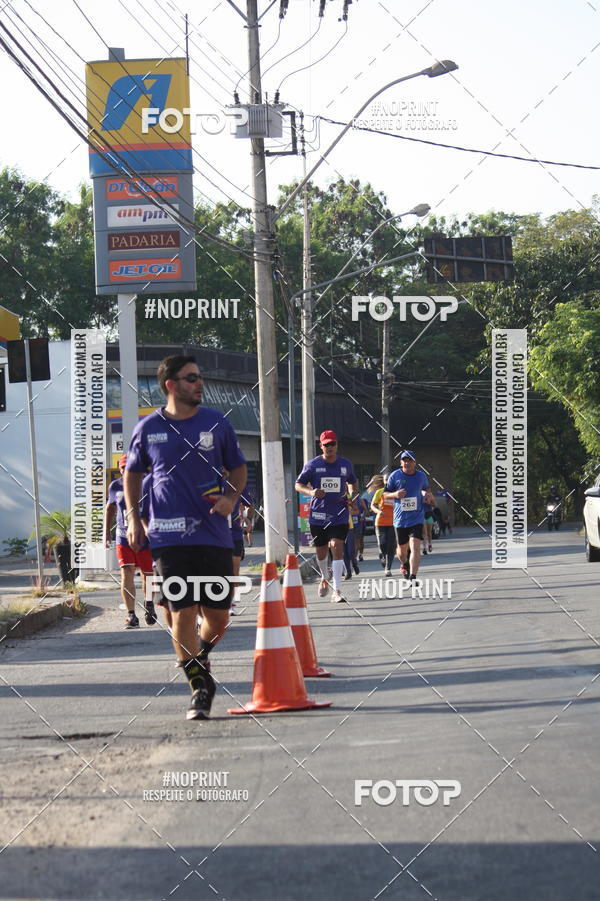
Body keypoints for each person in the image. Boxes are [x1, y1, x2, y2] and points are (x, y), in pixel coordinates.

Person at [124, 355, 247, 721]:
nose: (199, 383)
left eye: (200, 377)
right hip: (168, 536)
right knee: (181, 611)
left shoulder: (216, 423)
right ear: (171, 384)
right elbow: (133, 475)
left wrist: (231, 497)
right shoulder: (148, 429)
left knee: (219, 617)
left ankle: (199, 653)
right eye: (191, 378)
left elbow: (238, 467)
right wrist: (134, 517)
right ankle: (198, 686)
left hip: (213, 533)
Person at [295, 430, 358, 604]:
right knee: (321, 552)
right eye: (326, 444)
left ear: (337, 445)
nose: (329, 447)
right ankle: (324, 575)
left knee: (336, 546)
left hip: (339, 514)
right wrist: (311, 491)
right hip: (318, 516)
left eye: (332, 444)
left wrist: (352, 495)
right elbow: (298, 485)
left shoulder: (346, 465)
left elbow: (353, 482)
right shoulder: (312, 465)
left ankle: (336, 591)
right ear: (320, 446)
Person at [105, 454, 156, 629]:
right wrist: (106, 533)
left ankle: (149, 604)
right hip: (123, 536)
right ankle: (131, 614)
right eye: (122, 468)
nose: (125, 470)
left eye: (129, 467)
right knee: (126, 571)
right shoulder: (115, 486)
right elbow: (110, 508)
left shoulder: (147, 483)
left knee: (148, 574)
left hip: (145, 537)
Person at [384, 450, 435, 582]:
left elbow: (427, 489)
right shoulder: (394, 476)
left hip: (417, 518)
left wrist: (427, 495)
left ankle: (413, 575)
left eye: (410, 460)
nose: (407, 462)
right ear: (401, 462)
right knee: (401, 550)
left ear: (414, 462)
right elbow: (384, 495)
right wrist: (395, 495)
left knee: (415, 546)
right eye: (404, 460)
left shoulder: (421, 476)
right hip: (400, 520)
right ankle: (404, 563)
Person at [369, 474, 396, 576]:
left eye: (389, 480)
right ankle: (382, 555)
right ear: (384, 481)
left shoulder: (396, 492)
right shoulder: (380, 492)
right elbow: (372, 505)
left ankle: (388, 568)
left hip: (393, 523)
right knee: (382, 544)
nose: (388, 481)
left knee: (391, 546)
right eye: (386, 480)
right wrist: (378, 511)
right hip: (380, 522)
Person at [343, 495, 360, 579]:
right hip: (337, 529)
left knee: (350, 551)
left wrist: (349, 511)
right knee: (343, 553)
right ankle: (348, 572)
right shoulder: (331, 497)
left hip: (349, 528)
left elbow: (357, 511)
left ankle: (354, 563)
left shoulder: (347, 497)